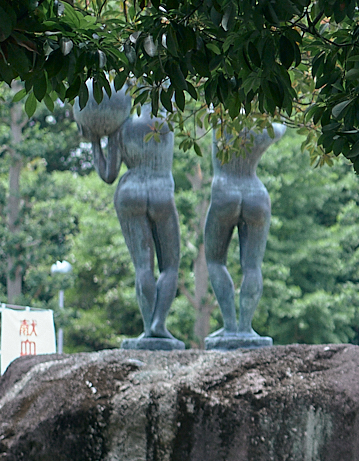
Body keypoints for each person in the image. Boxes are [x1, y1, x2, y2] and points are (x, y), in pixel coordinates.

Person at [75, 89, 184, 349]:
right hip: (161, 191)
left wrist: (94, 142)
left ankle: (149, 328)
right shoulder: (164, 121)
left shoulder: (121, 126)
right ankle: (158, 324)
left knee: (143, 266)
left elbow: (109, 174)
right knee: (169, 266)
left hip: (130, 191)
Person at [203, 124, 284, 348]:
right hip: (255, 192)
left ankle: (230, 326)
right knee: (252, 266)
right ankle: (246, 327)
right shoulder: (264, 126)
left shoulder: (221, 116)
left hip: (224, 190)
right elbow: (282, 127)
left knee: (215, 261)